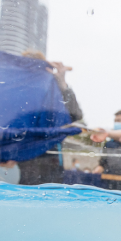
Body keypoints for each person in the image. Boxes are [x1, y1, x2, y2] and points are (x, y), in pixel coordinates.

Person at [17, 50, 84, 185]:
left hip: (49, 159)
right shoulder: (15, 91)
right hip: (18, 157)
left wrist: (62, 83)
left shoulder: (53, 91)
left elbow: (75, 114)